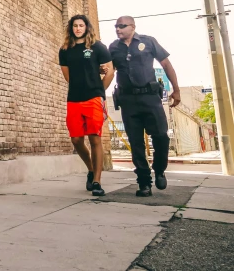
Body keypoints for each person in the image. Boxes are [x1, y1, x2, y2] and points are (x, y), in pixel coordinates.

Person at [109, 16, 181, 197]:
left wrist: (176, 89)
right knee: (136, 142)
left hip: (150, 98)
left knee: (161, 136)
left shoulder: (148, 42)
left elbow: (166, 64)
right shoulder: (113, 47)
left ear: (133, 27)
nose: (118, 29)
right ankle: (144, 182)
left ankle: (159, 169)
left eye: (122, 26)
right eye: (116, 26)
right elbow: (109, 70)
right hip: (128, 100)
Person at [59, 14, 114, 196]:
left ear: (86, 27)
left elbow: (110, 72)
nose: (78, 28)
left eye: (81, 25)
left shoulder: (98, 47)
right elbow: (68, 76)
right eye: (75, 26)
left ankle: (97, 181)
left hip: (93, 99)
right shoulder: (65, 50)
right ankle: (91, 169)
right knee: (76, 140)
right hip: (74, 98)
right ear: (71, 28)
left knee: (95, 138)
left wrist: (99, 90)